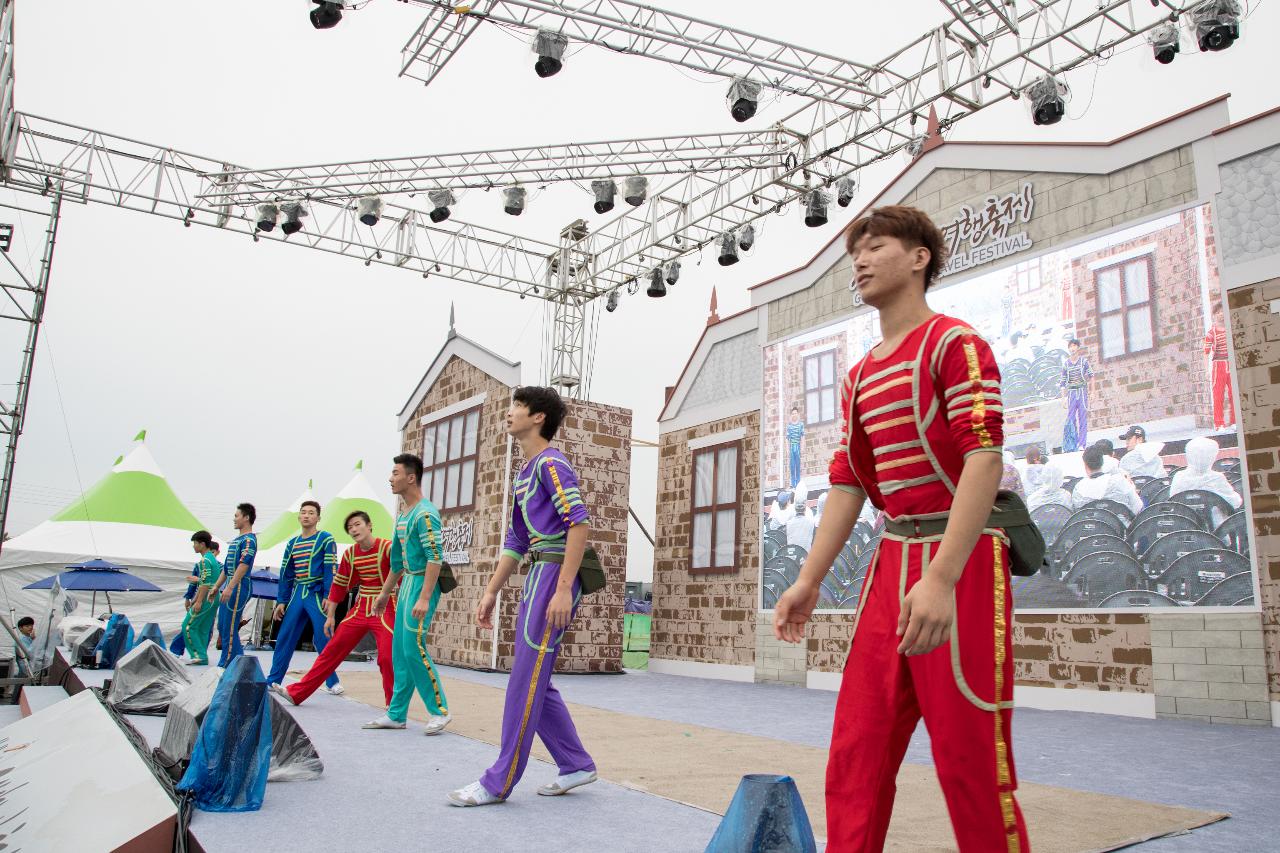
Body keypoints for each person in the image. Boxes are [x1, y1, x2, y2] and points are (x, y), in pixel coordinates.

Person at [772, 205, 1029, 851]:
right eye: (855, 250)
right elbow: (850, 480)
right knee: (857, 749)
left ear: (919, 257)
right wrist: (808, 579)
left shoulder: (956, 344)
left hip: (961, 564)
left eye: (875, 245)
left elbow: (983, 455)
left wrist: (942, 574)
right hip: (891, 563)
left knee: (971, 762)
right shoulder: (859, 376)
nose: (859, 260)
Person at [448, 386, 597, 807]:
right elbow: (516, 539)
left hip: (555, 575)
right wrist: (491, 592)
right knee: (536, 677)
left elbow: (578, 524)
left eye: (517, 406)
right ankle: (576, 763)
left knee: (524, 680)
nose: (509, 413)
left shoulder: (552, 463)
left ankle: (498, 781)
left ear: (538, 418)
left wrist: (565, 588)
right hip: (538, 574)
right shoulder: (524, 472)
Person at [272, 510, 396, 709]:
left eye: (357, 524)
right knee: (330, 651)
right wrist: (331, 616)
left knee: (386, 657)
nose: (354, 530)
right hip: (360, 607)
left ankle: (394, 708)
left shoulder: (387, 547)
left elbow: (401, 570)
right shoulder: (351, 553)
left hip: (385, 607)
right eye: (350, 528)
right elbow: (340, 584)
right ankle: (296, 693)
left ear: (369, 525)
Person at [364, 454, 451, 734]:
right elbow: (397, 564)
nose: (390, 478)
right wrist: (383, 594)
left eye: (395, 473)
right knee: (400, 651)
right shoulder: (403, 516)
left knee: (414, 647)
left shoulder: (426, 514)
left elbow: (435, 558)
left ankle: (439, 711)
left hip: (422, 585)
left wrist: (425, 597)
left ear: (410, 478)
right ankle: (397, 713)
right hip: (406, 587)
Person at [265, 501, 342, 693]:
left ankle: (332, 682)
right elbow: (286, 573)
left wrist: (328, 594)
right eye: (303, 512)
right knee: (285, 635)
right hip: (298, 593)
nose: (306, 515)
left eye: (311, 513)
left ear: (318, 518)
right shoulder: (292, 543)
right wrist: (282, 600)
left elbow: (331, 568)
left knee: (324, 636)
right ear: (299, 517)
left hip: (317, 593)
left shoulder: (325, 538)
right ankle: (274, 679)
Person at [211, 503, 258, 668]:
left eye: (237, 515)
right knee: (223, 625)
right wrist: (217, 586)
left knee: (230, 627)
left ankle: (226, 664)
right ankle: (239, 664)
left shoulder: (249, 540)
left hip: (239, 585)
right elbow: (226, 567)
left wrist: (230, 587)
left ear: (246, 518)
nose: (234, 518)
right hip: (231, 583)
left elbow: (244, 565)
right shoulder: (236, 541)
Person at [180, 531, 221, 665]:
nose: (194, 546)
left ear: (202, 544)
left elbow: (205, 582)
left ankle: (198, 655)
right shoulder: (213, 559)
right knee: (203, 627)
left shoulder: (204, 561)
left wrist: (198, 601)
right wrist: (195, 598)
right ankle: (202, 656)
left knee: (188, 625)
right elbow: (206, 581)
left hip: (207, 596)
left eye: (195, 543)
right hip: (214, 596)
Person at [1169, 436, 1242, 510]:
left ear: (1188, 456)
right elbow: (1235, 503)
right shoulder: (1217, 478)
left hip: (1185, 520)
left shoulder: (1178, 477)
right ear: (1211, 457)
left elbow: (1173, 504)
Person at [1071, 445, 1143, 514]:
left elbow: (1077, 515)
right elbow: (1138, 507)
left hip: (1088, 526)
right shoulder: (1120, 481)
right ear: (1102, 462)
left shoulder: (1078, 489)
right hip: (1121, 526)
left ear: (1085, 465)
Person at [1204, 303, 1235, 430]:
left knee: (1234, 393)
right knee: (1218, 394)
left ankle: (1234, 421)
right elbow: (1206, 352)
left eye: (1222, 311)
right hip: (1218, 365)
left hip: (1231, 363)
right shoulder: (1212, 333)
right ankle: (1219, 423)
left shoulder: (1231, 328)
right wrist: (1207, 370)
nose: (1221, 314)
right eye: (1218, 312)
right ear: (1214, 315)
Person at [1061, 338, 1093, 452]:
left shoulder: (1083, 362)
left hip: (1082, 391)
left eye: (1074, 346)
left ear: (1078, 347)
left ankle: (1082, 443)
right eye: (1070, 346)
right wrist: (1064, 398)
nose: (1072, 348)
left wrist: (1092, 392)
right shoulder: (1066, 364)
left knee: (1082, 418)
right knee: (1071, 419)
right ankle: (1072, 443)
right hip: (1072, 393)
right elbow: (1063, 382)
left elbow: (1091, 375)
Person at [786, 405, 805, 489]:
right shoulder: (789, 426)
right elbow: (787, 439)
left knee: (798, 466)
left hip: (797, 446)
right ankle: (793, 485)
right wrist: (787, 450)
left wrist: (802, 447)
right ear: (791, 415)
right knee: (792, 466)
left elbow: (802, 436)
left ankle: (798, 484)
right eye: (792, 413)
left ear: (798, 414)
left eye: (795, 413)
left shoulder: (800, 425)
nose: (794, 415)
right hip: (791, 447)